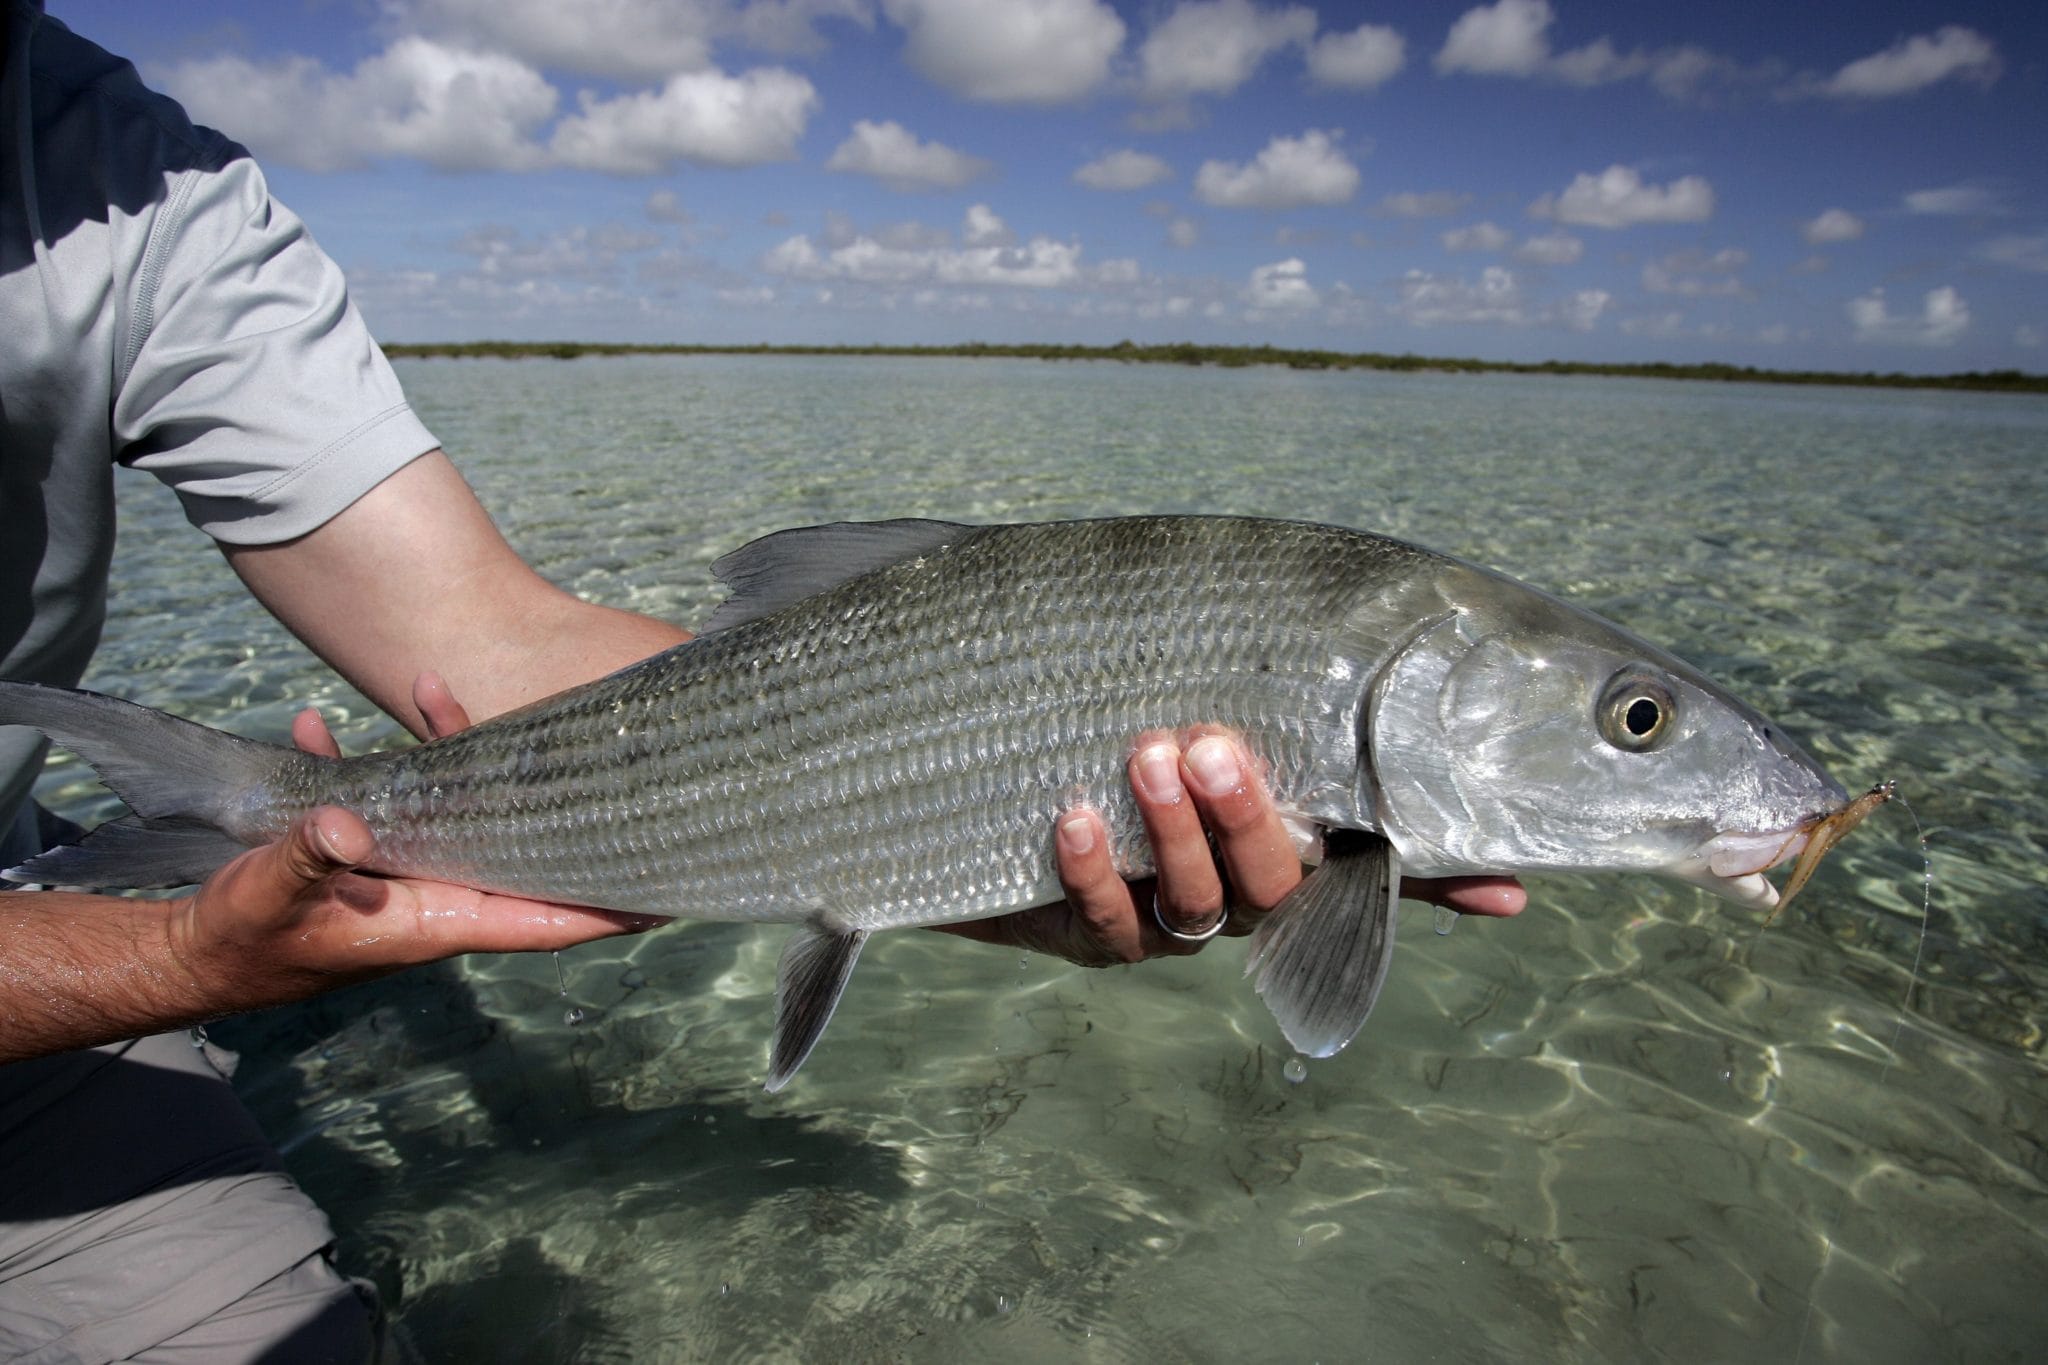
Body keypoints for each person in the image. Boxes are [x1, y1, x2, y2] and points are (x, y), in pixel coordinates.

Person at [0, 5, 1525, 1360]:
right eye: (1634, 722)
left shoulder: (142, 177)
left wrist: (936, 822)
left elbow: (482, 628)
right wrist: (177, 962)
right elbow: (168, 960)